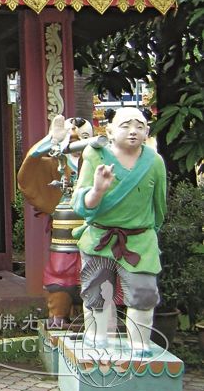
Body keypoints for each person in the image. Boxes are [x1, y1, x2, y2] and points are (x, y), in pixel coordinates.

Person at [72, 107, 166, 357]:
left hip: (139, 239)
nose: (133, 131)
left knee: (144, 293)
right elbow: (80, 203)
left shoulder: (154, 161)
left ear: (147, 132)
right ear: (110, 130)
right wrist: (98, 191)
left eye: (139, 126)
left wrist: (149, 235)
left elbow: (159, 206)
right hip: (100, 238)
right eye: (126, 125)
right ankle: (97, 337)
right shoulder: (95, 154)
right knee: (96, 292)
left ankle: (140, 343)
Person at [17, 114, 101, 327]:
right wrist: (51, 141)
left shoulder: (99, 162)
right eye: (71, 136)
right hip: (65, 225)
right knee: (60, 274)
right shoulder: (55, 162)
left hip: (94, 226)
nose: (76, 140)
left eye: (82, 136)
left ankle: (96, 319)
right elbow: (27, 174)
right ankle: (58, 315)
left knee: (99, 273)